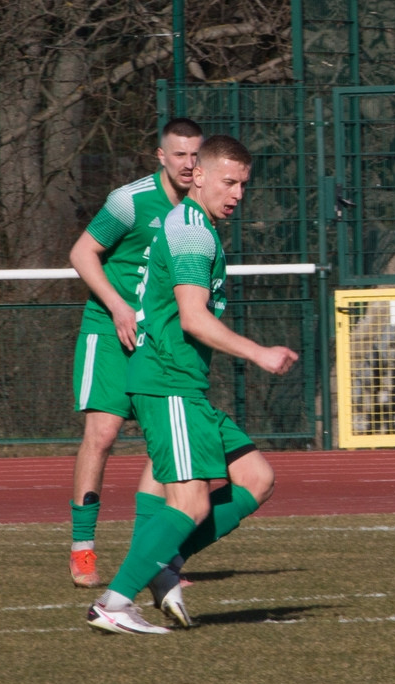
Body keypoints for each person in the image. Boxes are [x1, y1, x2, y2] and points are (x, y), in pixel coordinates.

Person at [86, 134, 299, 635]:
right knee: (191, 502)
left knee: (256, 479)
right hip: (167, 382)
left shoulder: (194, 224)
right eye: (229, 182)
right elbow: (193, 319)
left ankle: (163, 563)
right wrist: (259, 353)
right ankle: (115, 602)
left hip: (182, 384)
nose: (237, 194)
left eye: (244, 185)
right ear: (197, 175)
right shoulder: (191, 234)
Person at [68, 118, 205, 588]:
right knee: (103, 435)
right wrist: (119, 306)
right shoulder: (129, 201)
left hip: (157, 338)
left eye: (195, 155)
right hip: (109, 329)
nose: (188, 164)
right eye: (179, 155)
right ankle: (83, 549)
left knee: (167, 442)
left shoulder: (201, 206)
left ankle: (155, 556)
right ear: (161, 157)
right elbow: (82, 252)